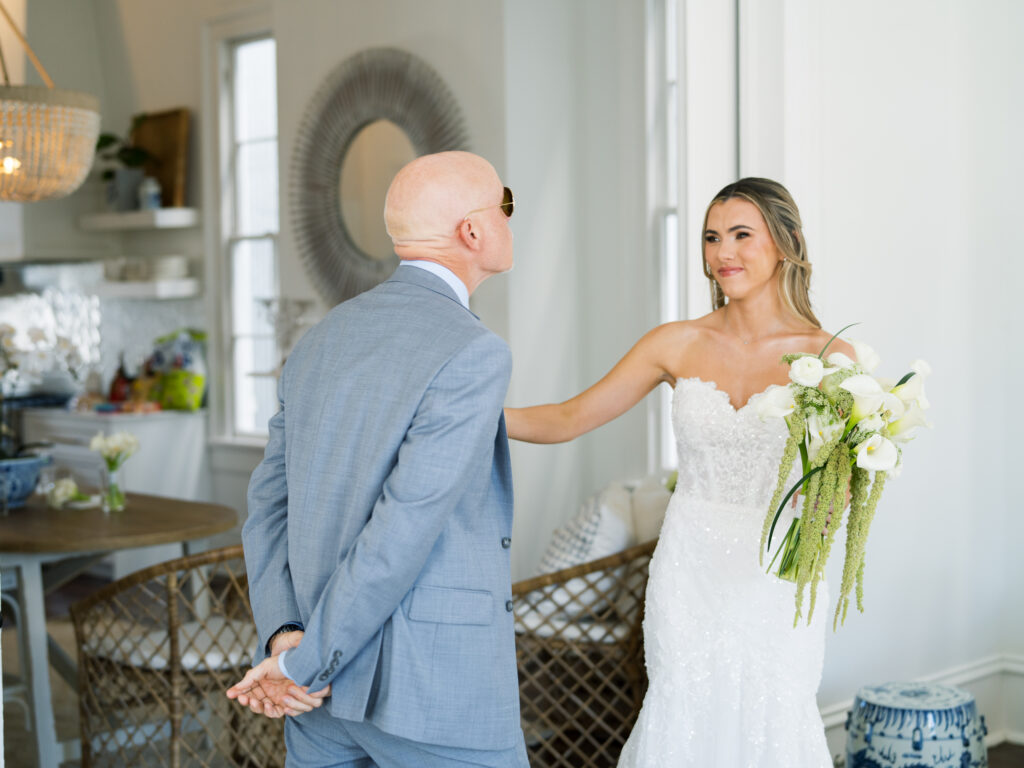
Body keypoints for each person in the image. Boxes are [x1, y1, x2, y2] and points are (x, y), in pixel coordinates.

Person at [505, 178, 852, 767]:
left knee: (774, 711)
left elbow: (838, 486)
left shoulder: (828, 358)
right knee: (683, 709)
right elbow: (568, 416)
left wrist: (817, 511)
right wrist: (468, 412)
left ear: (786, 242)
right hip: (689, 572)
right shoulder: (676, 342)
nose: (723, 253)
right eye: (713, 237)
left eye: (742, 234)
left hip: (777, 576)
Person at [227, 151, 529, 768]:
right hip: (432, 691)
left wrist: (287, 638)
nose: (509, 220)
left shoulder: (321, 337)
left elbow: (266, 508)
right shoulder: (474, 352)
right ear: (473, 231)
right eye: (507, 205)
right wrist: (302, 666)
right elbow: (402, 529)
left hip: (320, 697)